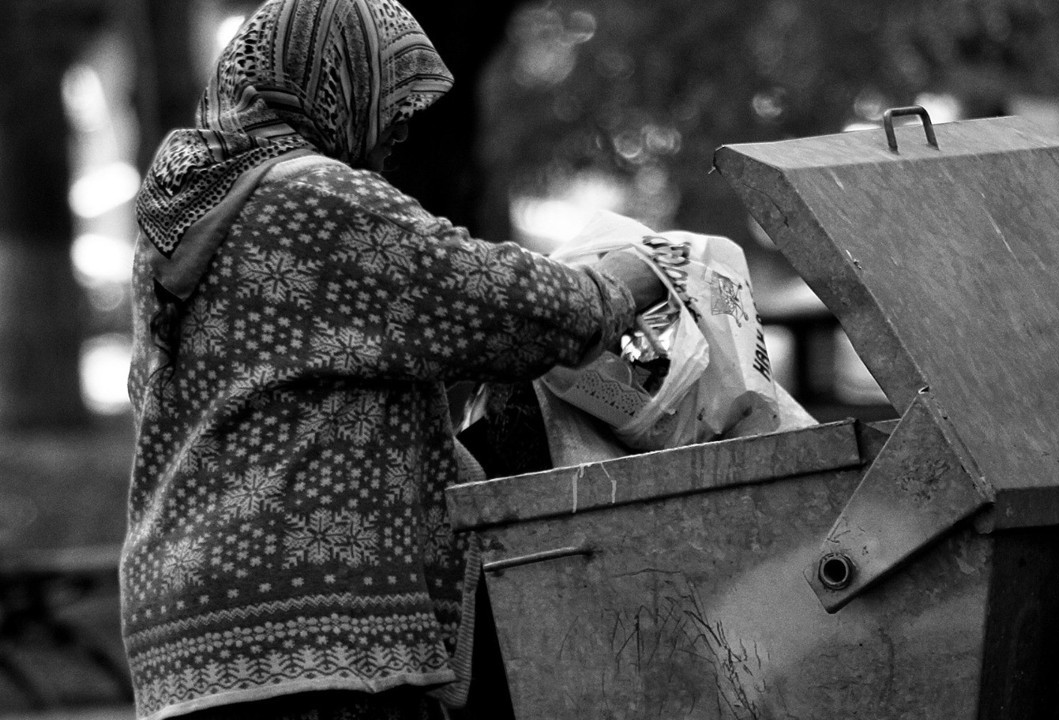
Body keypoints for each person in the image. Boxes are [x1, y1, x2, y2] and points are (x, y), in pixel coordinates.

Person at [123, 1, 662, 718]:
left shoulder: (187, 205)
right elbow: (500, 303)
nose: (403, 127)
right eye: (391, 100)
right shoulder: (313, 195)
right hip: (313, 618)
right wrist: (622, 284)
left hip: (188, 624)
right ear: (333, 85)